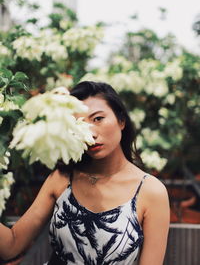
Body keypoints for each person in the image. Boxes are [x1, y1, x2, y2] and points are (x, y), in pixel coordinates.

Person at [0, 81, 170, 265]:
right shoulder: (62, 178)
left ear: (121, 120)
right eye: (79, 124)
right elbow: (12, 245)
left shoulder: (151, 191)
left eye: (97, 119)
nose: (90, 133)